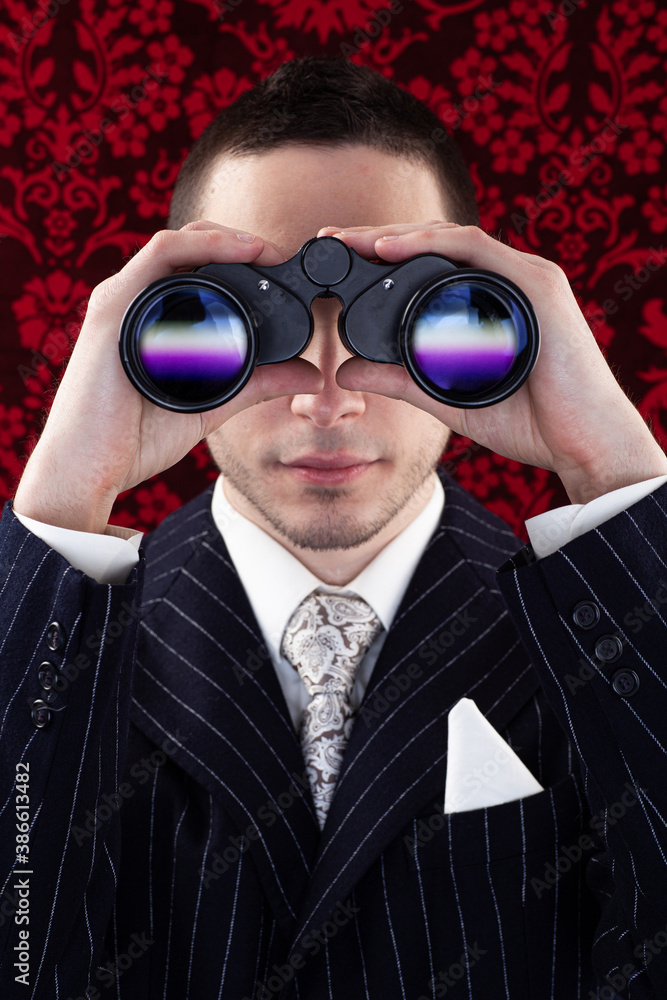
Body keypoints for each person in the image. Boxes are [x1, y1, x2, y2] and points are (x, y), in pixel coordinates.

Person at [1, 55, 666, 1000]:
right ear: (158, 311)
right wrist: (63, 506)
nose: (325, 396)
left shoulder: (595, 633)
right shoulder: (58, 647)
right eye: (244, 315)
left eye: (397, 318)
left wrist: (616, 477)